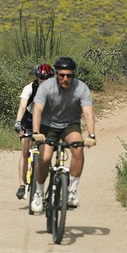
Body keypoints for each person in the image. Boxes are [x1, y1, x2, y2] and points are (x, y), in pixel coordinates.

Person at [31, 56, 96, 213]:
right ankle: (38, 194)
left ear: (73, 75)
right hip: (47, 126)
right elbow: (38, 110)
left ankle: (72, 191)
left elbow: (88, 112)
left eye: (69, 75)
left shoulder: (81, 88)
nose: (65, 78)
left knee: (78, 148)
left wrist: (91, 135)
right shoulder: (46, 87)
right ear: (56, 74)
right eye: (62, 75)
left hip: (70, 125)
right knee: (45, 158)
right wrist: (36, 132)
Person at [14, 63, 55, 199]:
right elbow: (22, 107)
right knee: (26, 151)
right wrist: (18, 122)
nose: (43, 81)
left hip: (46, 122)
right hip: (29, 120)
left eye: (47, 78)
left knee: (46, 154)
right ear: (37, 77)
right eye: (41, 78)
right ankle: (21, 185)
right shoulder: (29, 88)